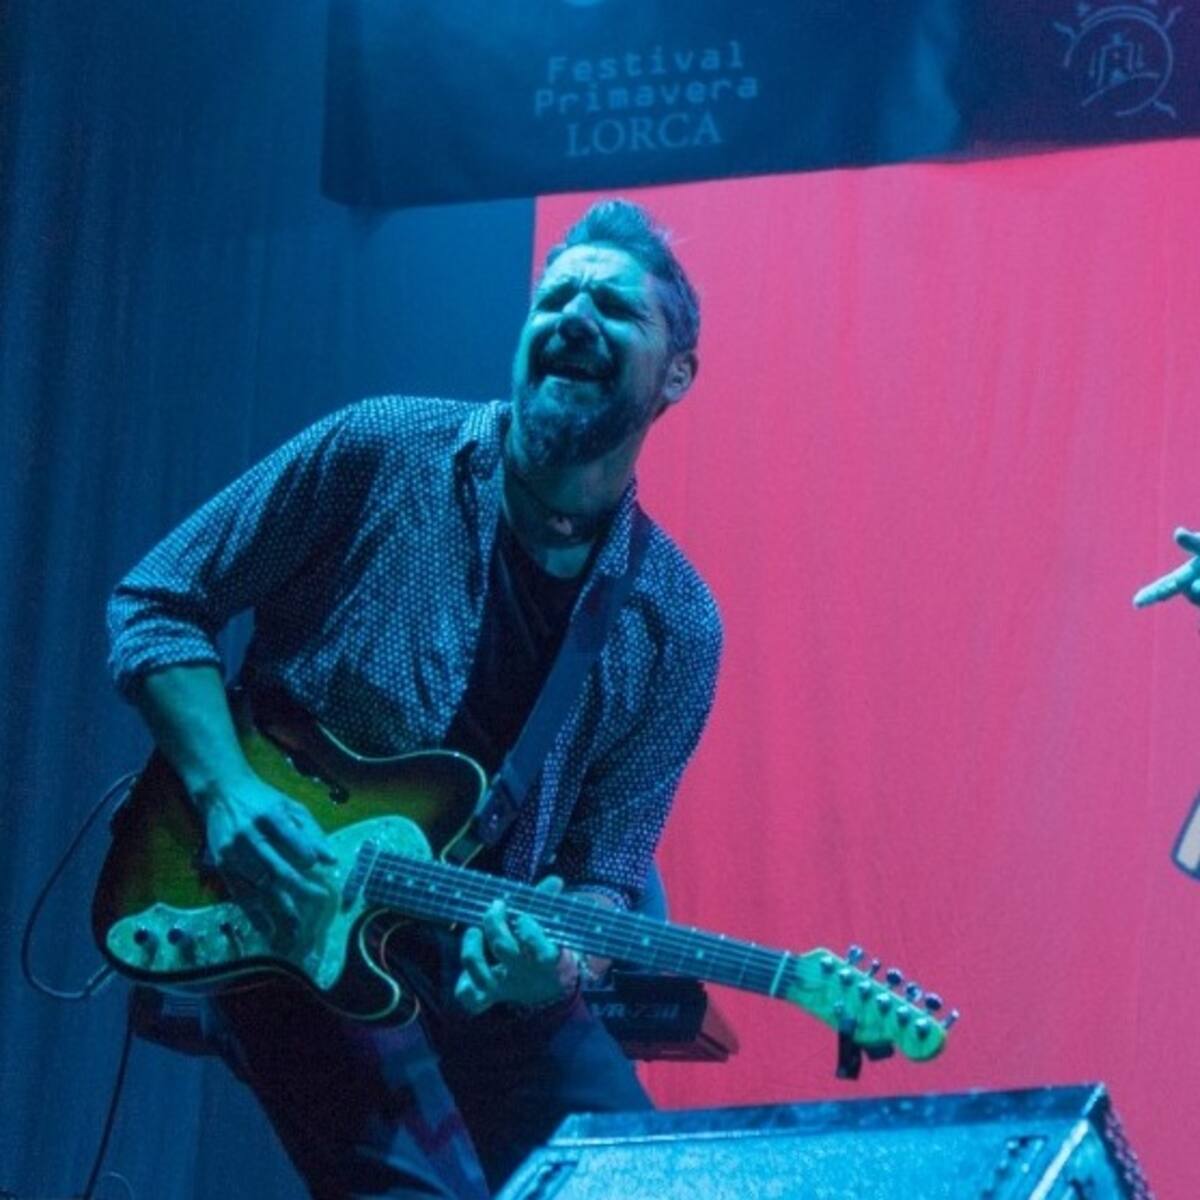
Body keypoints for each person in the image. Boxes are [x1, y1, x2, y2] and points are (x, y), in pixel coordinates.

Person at [106, 199, 722, 1199]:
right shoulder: (382, 451)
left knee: (640, 1185)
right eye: (555, 298)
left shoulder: (677, 624)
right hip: (287, 905)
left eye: (614, 308)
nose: (574, 316)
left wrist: (561, 962)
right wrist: (228, 796)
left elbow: (606, 875)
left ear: (678, 376)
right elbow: (158, 600)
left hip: (480, 961)